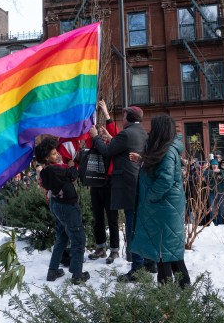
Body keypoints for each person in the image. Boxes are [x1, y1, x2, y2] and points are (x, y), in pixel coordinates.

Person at [128, 115, 191, 287]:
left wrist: (150, 197)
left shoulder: (168, 151)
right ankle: (176, 287)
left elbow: (165, 180)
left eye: (153, 128)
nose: (150, 131)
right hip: (163, 208)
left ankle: (172, 290)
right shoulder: (164, 150)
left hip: (164, 208)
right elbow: (159, 169)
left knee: (165, 251)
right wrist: (142, 160)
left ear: (160, 130)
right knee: (167, 251)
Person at [88, 105, 149, 275]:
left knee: (131, 227)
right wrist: (109, 137)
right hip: (138, 183)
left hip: (128, 186)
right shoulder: (141, 132)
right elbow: (119, 147)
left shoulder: (127, 133)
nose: (122, 120)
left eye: (123, 117)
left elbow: (107, 150)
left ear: (128, 118)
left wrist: (95, 138)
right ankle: (147, 262)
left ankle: (137, 267)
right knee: (139, 224)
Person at [34, 136, 90, 285]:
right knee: (78, 239)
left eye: (56, 152)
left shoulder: (46, 170)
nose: (57, 155)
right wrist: (71, 164)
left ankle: (53, 270)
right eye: (53, 154)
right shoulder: (54, 170)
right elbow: (72, 175)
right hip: (67, 207)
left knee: (62, 238)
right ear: (46, 158)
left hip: (57, 205)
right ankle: (77, 275)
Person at [86, 100, 120, 264]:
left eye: (103, 131)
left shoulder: (113, 144)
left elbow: (115, 132)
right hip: (95, 184)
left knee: (112, 218)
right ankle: (100, 248)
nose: (101, 133)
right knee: (98, 218)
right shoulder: (93, 143)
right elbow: (87, 138)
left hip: (110, 184)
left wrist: (106, 113)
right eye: (98, 131)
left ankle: (114, 250)